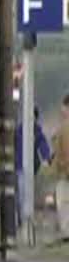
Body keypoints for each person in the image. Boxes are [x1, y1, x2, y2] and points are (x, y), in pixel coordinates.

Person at [15, 105, 52, 231]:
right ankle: (21, 219)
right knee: (20, 193)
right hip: (19, 166)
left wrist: (47, 158)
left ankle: (24, 219)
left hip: (29, 167)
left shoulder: (37, 131)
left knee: (24, 192)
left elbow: (43, 146)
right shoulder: (19, 130)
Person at [51, 95, 69, 240]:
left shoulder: (66, 127)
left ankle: (66, 233)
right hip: (64, 172)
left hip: (65, 174)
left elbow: (65, 151)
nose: (61, 110)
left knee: (63, 203)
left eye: (63, 107)